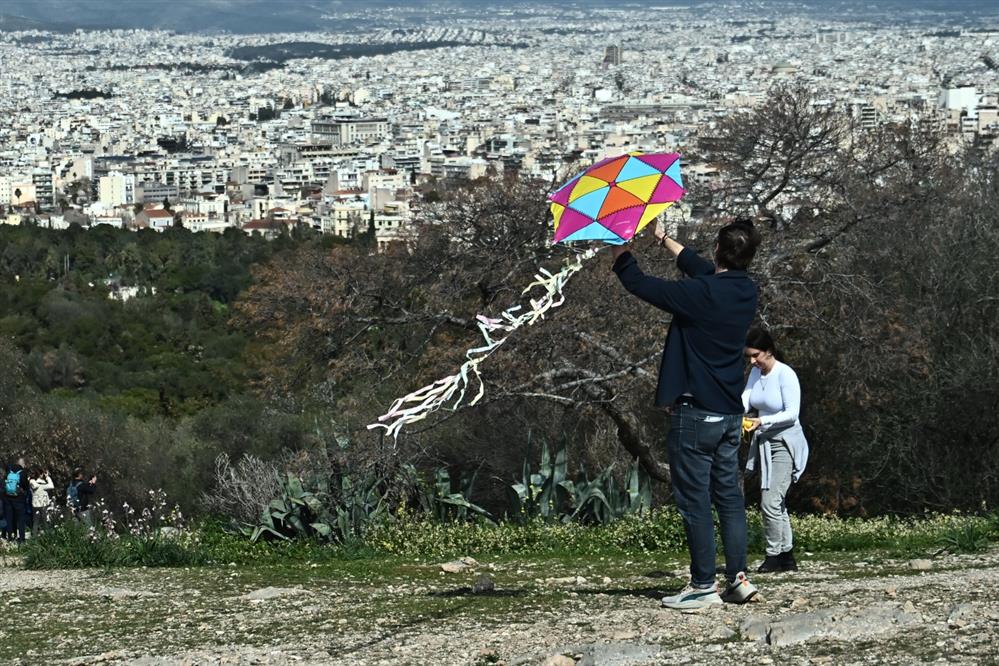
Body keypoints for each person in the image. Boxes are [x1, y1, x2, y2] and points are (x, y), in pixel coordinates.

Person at [611, 217, 762, 610]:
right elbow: (702, 270)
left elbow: (640, 284)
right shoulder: (746, 290)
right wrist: (663, 240)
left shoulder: (701, 294)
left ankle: (701, 586)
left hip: (696, 413)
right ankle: (738, 578)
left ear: (719, 250)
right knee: (728, 498)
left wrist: (620, 249)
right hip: (730, 413)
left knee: (694, 500)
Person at [742, 327, 809, 573]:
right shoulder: (755, 373)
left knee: (770, 501)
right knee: (776, 503)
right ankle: (786, 556)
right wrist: (739, 417)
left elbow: (792, 413)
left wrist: (763, 421)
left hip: (784, 442)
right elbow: (746, 398)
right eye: (748, 356)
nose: (752, 361)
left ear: (768, 351)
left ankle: (773, 554)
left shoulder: (785, 375)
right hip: (764, 441)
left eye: (755, 355)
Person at [3, 457, 31, 543]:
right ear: (22, 464)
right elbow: (26, 485)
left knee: (10, 518)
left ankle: (10, 537)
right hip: (19, 499)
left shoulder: (9, 472)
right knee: (21, 519)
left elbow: (4, 483)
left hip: (8, 499)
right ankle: (21, 539)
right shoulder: (23, 473)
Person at [29, 467, 55, 538]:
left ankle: (34, 536)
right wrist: (47, 477)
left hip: (35, 504)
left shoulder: (32, 483)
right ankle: (47, 536)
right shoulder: (42, 484)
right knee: (45, 520)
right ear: (40, 474)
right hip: (43, 504)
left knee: (36, 521)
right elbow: (52, 486)